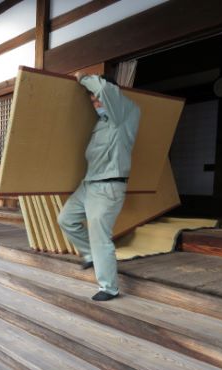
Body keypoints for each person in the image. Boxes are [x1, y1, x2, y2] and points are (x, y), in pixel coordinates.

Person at [58, 72, 140, 301]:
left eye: (98, 99)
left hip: (108, 187)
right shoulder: (102, 123)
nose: (96, 104)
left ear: (113, 94)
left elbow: (104, 90)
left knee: (100, 237)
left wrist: (82, 77)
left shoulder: (125, 113)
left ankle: (109, 288)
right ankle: (90, 255)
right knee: (66, 219)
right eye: (92, 101)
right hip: (89, 184)